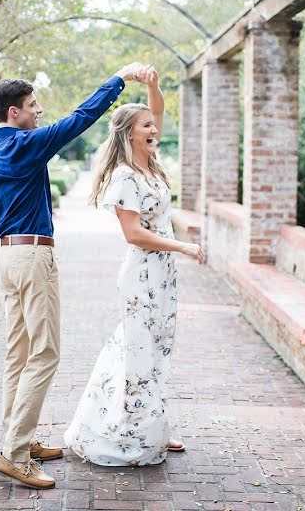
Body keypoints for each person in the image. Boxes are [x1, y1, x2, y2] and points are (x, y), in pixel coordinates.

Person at [0, 62, 149, 489]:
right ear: (14, 114)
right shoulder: (26, 145)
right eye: (32, 105)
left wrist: (9, 238)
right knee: (46, 352)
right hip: (33, 256)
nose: (39, 111)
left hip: (7, 257)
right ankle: (14, 453)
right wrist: (118, 80)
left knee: (19, 353)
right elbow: (80, 119)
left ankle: (21, 439)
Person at [64, 66, 205, 466]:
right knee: (138, 353)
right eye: (146, 125)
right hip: (142, 273)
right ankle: (127, 433)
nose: (154, 128)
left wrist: (153, 86)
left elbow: (157, 113)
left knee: (157, 351)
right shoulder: (126, 177)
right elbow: (134, 234)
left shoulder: (151, 163)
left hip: (163, 275)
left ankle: (154, 427)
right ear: (130, 134)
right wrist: (181, 245)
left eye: (153, 124)